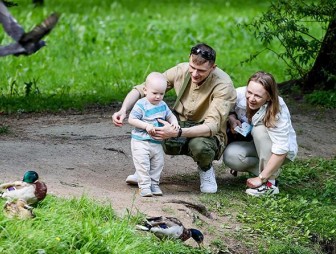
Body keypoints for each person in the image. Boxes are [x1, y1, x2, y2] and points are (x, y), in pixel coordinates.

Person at [112, 43, 236, 194]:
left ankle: (206, 169)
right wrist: (124, 109)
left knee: (200, 147)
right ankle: (144, 171)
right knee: (150, 126)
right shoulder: (181, 70)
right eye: (192, 67)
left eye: (201, 70)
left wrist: (176, 133)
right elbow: (143, 88)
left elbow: (211, 127)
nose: (195, 74)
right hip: (179, 122)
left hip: (205, 131)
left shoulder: (223, 85)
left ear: (213, 68)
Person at [223, 71, 298, 196]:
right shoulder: (239, 94)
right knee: (231, 156)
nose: (251, 99)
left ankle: (269, 184)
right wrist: (231, 119)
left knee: (259, 130)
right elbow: (227, 108)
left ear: (269, 97)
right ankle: (266, 171)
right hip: (255, 144)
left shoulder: (278, 111)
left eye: (257, 96)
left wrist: (261, 178)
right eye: (249, 92)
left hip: (278, 152)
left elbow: (281, 149)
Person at [128, 72, 179, 197]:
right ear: (145, 90)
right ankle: (144, 186)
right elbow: (131, 119)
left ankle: (154, 184)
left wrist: (174, 122)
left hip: (156, 142)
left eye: (161, 94)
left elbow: (170, 115)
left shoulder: (163, 105)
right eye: (155, 93)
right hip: (141, 141)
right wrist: (146, 126)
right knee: (143, 164)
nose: (158, 97)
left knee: (158, 164)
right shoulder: (141, 104)